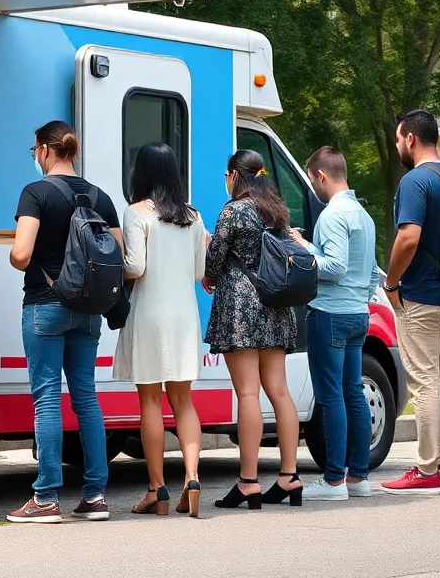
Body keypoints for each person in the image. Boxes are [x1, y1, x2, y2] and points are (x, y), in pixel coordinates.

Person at [6, 120, 121, 523]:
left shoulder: (35, 193)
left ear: (43, 151)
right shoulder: (100, 197)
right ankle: (95, 497)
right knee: (86, 397)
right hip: (89, 310)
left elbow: (22, 254)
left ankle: (46, 498)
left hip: (45, 304)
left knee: (47, 398)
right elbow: (118, 259)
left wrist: (18, 254)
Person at [113, 143, 209, 517]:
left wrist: (114, 264)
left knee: (150, 401)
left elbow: (134, 267)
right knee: (183, 401)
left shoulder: (136, 213)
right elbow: (199, 273)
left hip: (149, 313)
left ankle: (157, 489)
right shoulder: (193, 216)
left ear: (141, 172)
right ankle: (192, 477)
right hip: (184, 314)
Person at [204, 149, 302, 509]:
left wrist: (209, 274)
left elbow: (214, 259)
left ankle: (248, 482)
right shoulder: (276, 208)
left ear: (234, 175)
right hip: (276, 306)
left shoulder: (234, 210)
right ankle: (289, 477)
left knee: (248, 394)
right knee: (279, 390)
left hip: (243, 308)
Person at [381, 110, 440, 496]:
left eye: (399, 139)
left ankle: (426, 470)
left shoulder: (415, 181)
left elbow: (409, 238)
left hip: (422, 297)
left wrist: (391, 280)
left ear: (411, 139)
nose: (398, 146)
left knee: (424, 383)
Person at [290, 146, 380, 501]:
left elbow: (334, 267)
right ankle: (359, 477)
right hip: (358, 313)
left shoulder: (331, 215)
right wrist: (359, 297)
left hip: (329, 314)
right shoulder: (363, 215)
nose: (314, 187)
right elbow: (371, 271)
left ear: (321, 176)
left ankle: (332, 481)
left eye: (313, 180)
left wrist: (304, 248)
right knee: (353, 393)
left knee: (331, 398)